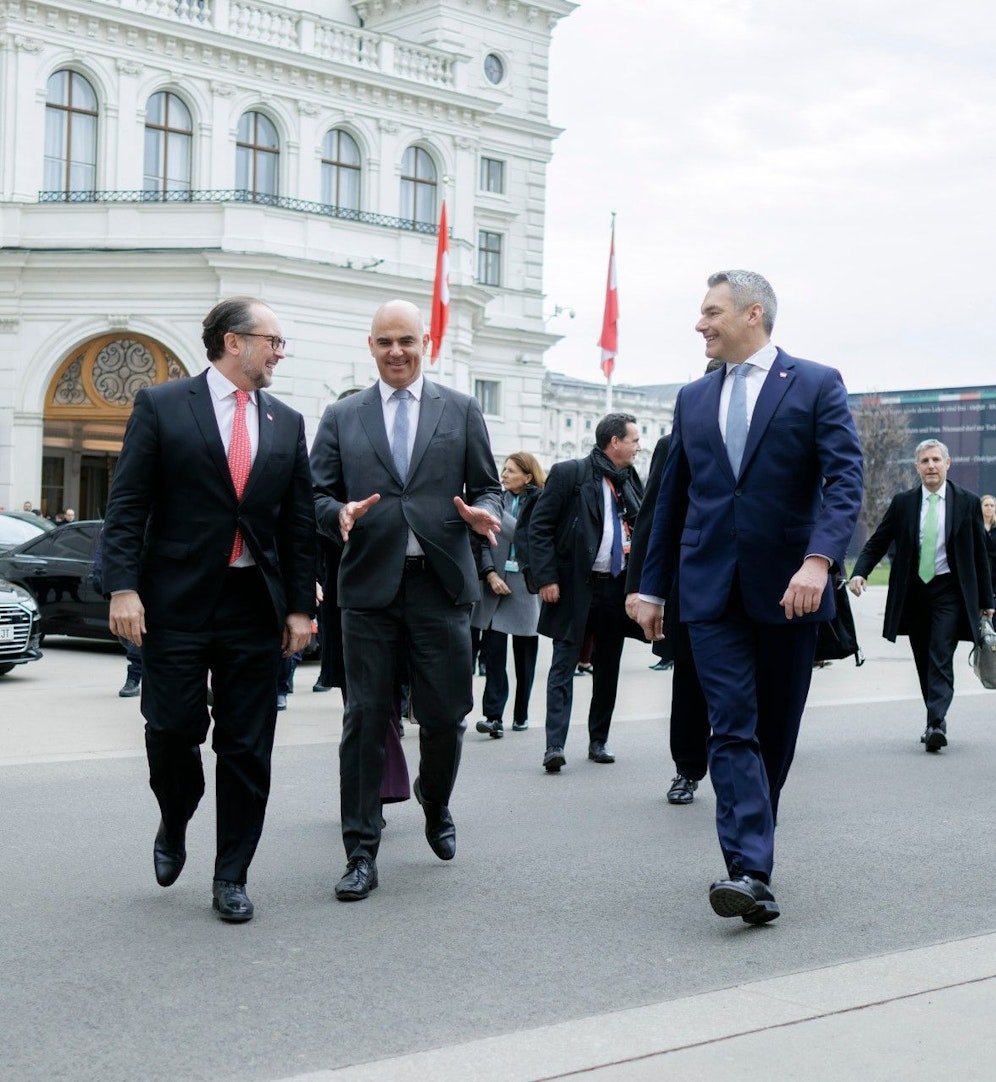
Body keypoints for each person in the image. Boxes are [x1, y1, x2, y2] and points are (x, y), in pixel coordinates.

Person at [636, 269, 863, 924]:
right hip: (709, 590)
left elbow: (845, 480)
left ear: (752, 313)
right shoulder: (692, 398)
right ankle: (748, 871)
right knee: (731, 725)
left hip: (792, 590)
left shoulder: (815, 383)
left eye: (712, 312)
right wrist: (651, 586)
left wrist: (818, 561)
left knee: (775, 733)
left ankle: (753, 843)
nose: (700, 324)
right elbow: (672, 499)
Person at [101, 296, 316, 923]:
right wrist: (122, 588)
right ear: (233, 341)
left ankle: (231, 876)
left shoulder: (286, 421)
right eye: (273, 341)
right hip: (176, 604)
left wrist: (298, 608)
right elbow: (128, 504)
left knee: (248, 747)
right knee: (171, 730)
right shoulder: (163, 405)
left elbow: (298, 524)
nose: (279, 354)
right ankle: (175, 815)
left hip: (254, 607)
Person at [310, 298, 501, 902]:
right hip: (368, 589)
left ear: (426, 345)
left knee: (444, 716)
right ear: (371, 346)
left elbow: (490, 487)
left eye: (407, 341)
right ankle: (360, 852)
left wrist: (483, 514)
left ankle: (434, 801)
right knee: (365, 719)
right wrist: (337, 513)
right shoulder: (342, 415)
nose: (397, 351)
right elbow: (314, 494)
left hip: (439, 588)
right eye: (385, 341)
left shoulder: (460, 409)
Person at [849, 440, 994, 752]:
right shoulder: (903, 503)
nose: (931, 466)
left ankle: (935, 723)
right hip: (914, 593)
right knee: (923, 658)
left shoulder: (967, 502)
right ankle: (935, 717)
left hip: (949, 592)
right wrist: (860, 572)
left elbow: (980, 555)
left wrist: (987, 602)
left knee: (940, 652)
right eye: (925, 461)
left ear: (947, 463)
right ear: (917, 467)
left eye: (936, 460)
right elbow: (878, 541)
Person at [624, 364, 722, 805]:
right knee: (691, 685)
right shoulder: (674, 444)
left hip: (753, 583)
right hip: (692, 584)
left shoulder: (767, 438)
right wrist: (641, 588)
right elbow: (654, 519)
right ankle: (687, 769)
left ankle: (746, 769)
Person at [528, 413, 644, 772]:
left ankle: (599, 740)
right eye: (634, 440)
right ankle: (554, 746)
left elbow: (641, 528)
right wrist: (546, 578)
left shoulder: (630, 480)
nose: (639, 447)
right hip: (574, 587)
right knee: (563, 665)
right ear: (615, 442)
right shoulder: (570, 473)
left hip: (615, 586)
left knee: (608, 667)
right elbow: (539, 527)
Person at [473, 452, 545, 738]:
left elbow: (531, 537)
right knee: (493, 656)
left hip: (526, 586)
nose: (503, 474)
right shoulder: (495, 501)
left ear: (527, 476)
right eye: (503, 469)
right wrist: (489, 573)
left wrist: (498, 520)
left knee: (525, 658)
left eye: (511, 470)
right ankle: (493, 716)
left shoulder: (541, 501)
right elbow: (481, 541)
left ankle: (521, 713)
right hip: (495, 587)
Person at [982, 494, 996, 590]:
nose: (989, 508)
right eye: (986, 505)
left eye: (992, 505)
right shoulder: (975, 526)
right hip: (980, 567)